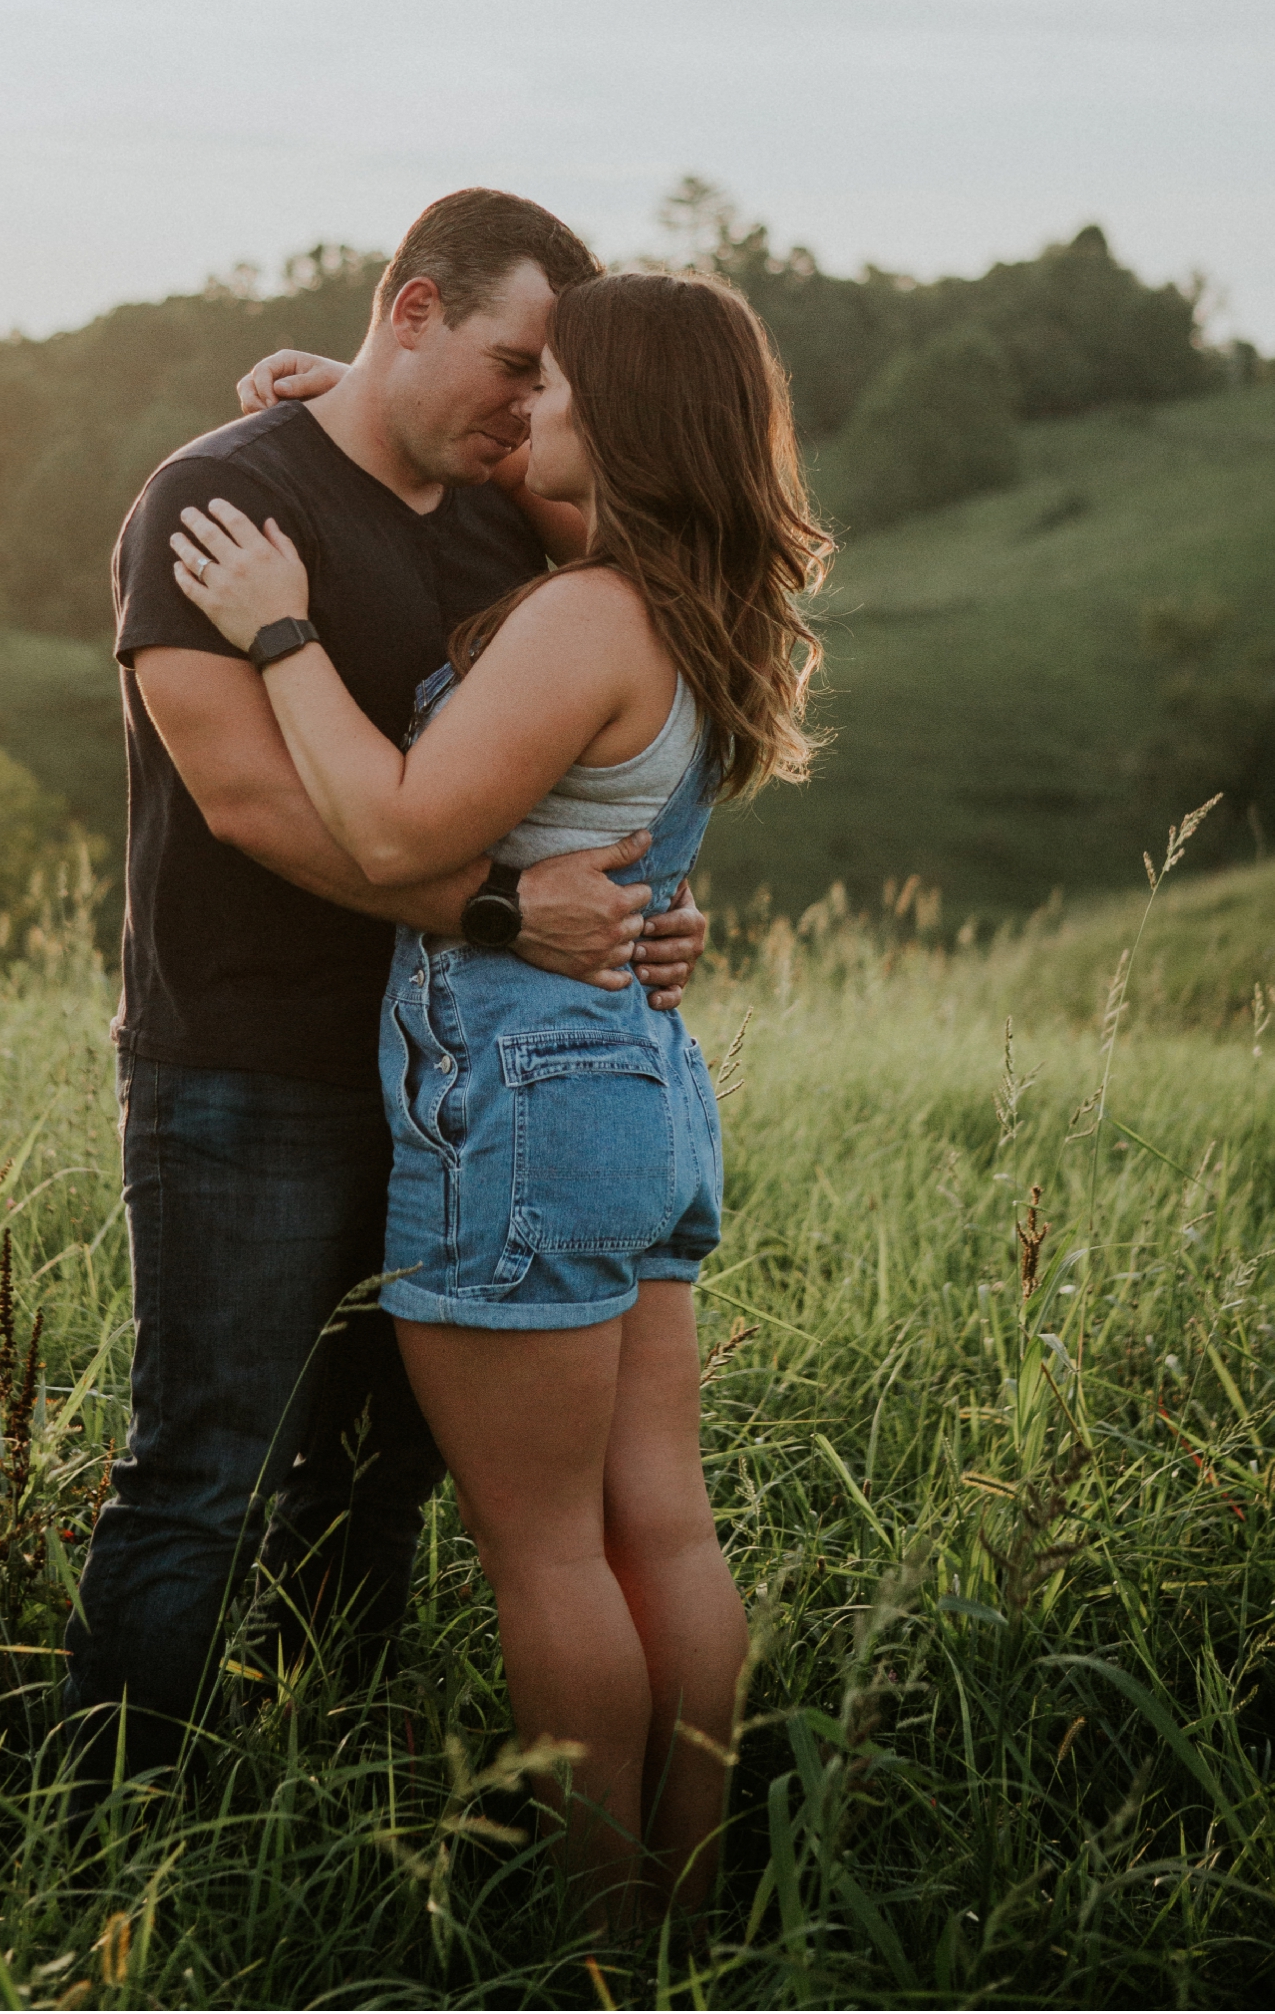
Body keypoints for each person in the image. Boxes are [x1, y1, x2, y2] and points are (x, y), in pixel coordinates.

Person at [171, 268, 832, 1921]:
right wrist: (359, 408)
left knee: (545, 1552)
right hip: (644, 1091)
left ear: (622, 416)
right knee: (661, 1528)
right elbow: (528, 495)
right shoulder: (687, 601)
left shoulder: (583, 618)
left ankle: (602, 1938)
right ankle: (690, 1902)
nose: (526, 406)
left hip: (527, 1100)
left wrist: (278, 625)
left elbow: (397, 834)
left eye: (554, 384)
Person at [61, 192, 711, 1791]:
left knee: (378, 1477)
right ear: (410, 310)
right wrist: (509, 915)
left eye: (550, 377)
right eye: (511, 360)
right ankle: (111, 1817)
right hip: (252, 1064)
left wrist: (654, 909)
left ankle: (332, 1782)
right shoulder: (217, 502)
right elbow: (254, 804)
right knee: (207, 1466)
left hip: (459, 1092)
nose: (530, 404)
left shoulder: (519, 514)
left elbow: (618, 723)